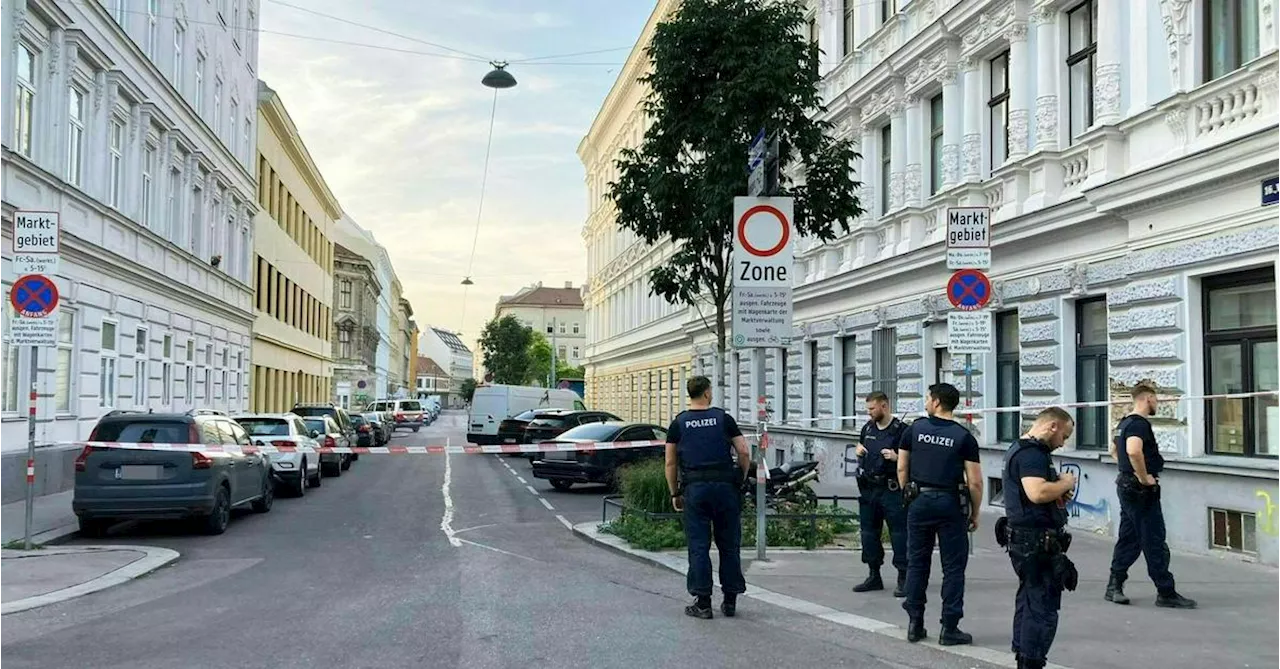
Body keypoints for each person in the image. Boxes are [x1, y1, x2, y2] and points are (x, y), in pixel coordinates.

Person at [896, 382, 982, 645]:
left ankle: (915, 623)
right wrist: (975, 513)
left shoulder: (914, 429)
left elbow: (901, 468)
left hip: (919, 500)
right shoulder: (964, 436)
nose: (925, 401)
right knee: (954, 568)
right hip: (950, 503)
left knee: (917, 563)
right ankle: (950, 628)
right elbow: (975, 482)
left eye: (927, 397)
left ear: (936, 402)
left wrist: (908, 495)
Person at [664, 375, 751, 619]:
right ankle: (730, 600)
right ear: (707, 393)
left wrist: (675, 492)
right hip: (725, 488)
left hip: (695, 489)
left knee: (699, 546)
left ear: (689, 394)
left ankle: (702, 603)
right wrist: (741, 478)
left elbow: (670, 461)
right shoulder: (724, 419)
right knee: (729, 545)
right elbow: (743, 451)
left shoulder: (679, 423)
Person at [1105, 383, 1196, 609]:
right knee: (1153, 539)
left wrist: (1127, 470)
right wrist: (1143, 477)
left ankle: (1114, 585)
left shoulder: (1123, 423)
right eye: (1156, 399)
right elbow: (1133, 450)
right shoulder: (1139, 424)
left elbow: (1113, 450)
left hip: (1126, 486)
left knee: (1129, 537)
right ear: (1147, 398)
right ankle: (1166, 592)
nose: (1157, 403)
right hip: (1140, 490)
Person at [1002, 407, 1079, 669]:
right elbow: (1036, 493)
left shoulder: (1022, 449)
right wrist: (1065, 483)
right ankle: (1031, 662)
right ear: (1053, 426)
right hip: (1035, 542)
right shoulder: (1032, 454)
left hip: (1027, 540)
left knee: (1029, 600)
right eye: (1064, 436)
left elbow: (1037, 493)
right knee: (1042, 608)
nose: (1063, 443)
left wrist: (1056, 491)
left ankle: (1024, 656)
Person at [852, 391, 909, 596]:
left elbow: (913, 460)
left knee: (899, 534)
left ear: (884, 406)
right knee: (869, 534)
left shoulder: (901, 430)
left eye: (872, 408)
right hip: (869, 489)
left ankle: (904, 576)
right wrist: (858, 450)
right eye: (868, 409)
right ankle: (873, 574)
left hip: (891, 489)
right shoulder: (868, 428)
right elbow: (862, 448)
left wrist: (896, 458)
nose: (869, 413)